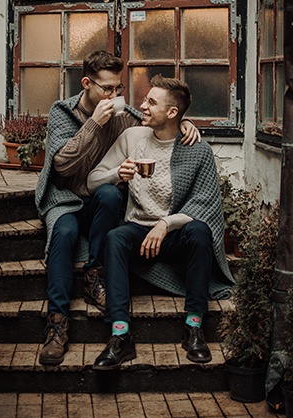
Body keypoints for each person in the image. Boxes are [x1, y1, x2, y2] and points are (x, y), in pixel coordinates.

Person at [34, 51, 200, 366]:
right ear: (87, 83)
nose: (114, 95)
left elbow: (157, 120)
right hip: (66, 198)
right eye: (107, 89)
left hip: (101, 199)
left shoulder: (122, 114)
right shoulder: (63, 112)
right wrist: (94, 124)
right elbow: (62, 165)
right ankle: (57, 324)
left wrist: (184, 121)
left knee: (110, 194)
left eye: (118, 88)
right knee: (64, 234)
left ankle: (95, 276)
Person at [87, 75, 234, 370]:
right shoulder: (133, 138)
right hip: (137, 230)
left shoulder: (196, 149)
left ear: (172, 112)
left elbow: (205, 204)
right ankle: (120, 335)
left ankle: (194, 327)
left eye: (151, 102)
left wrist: (166, 224)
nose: (143, 105)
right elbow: (93, 181)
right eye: (145, 100)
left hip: (173, 235)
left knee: (200, 231)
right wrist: (117, 174)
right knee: (115, 238)